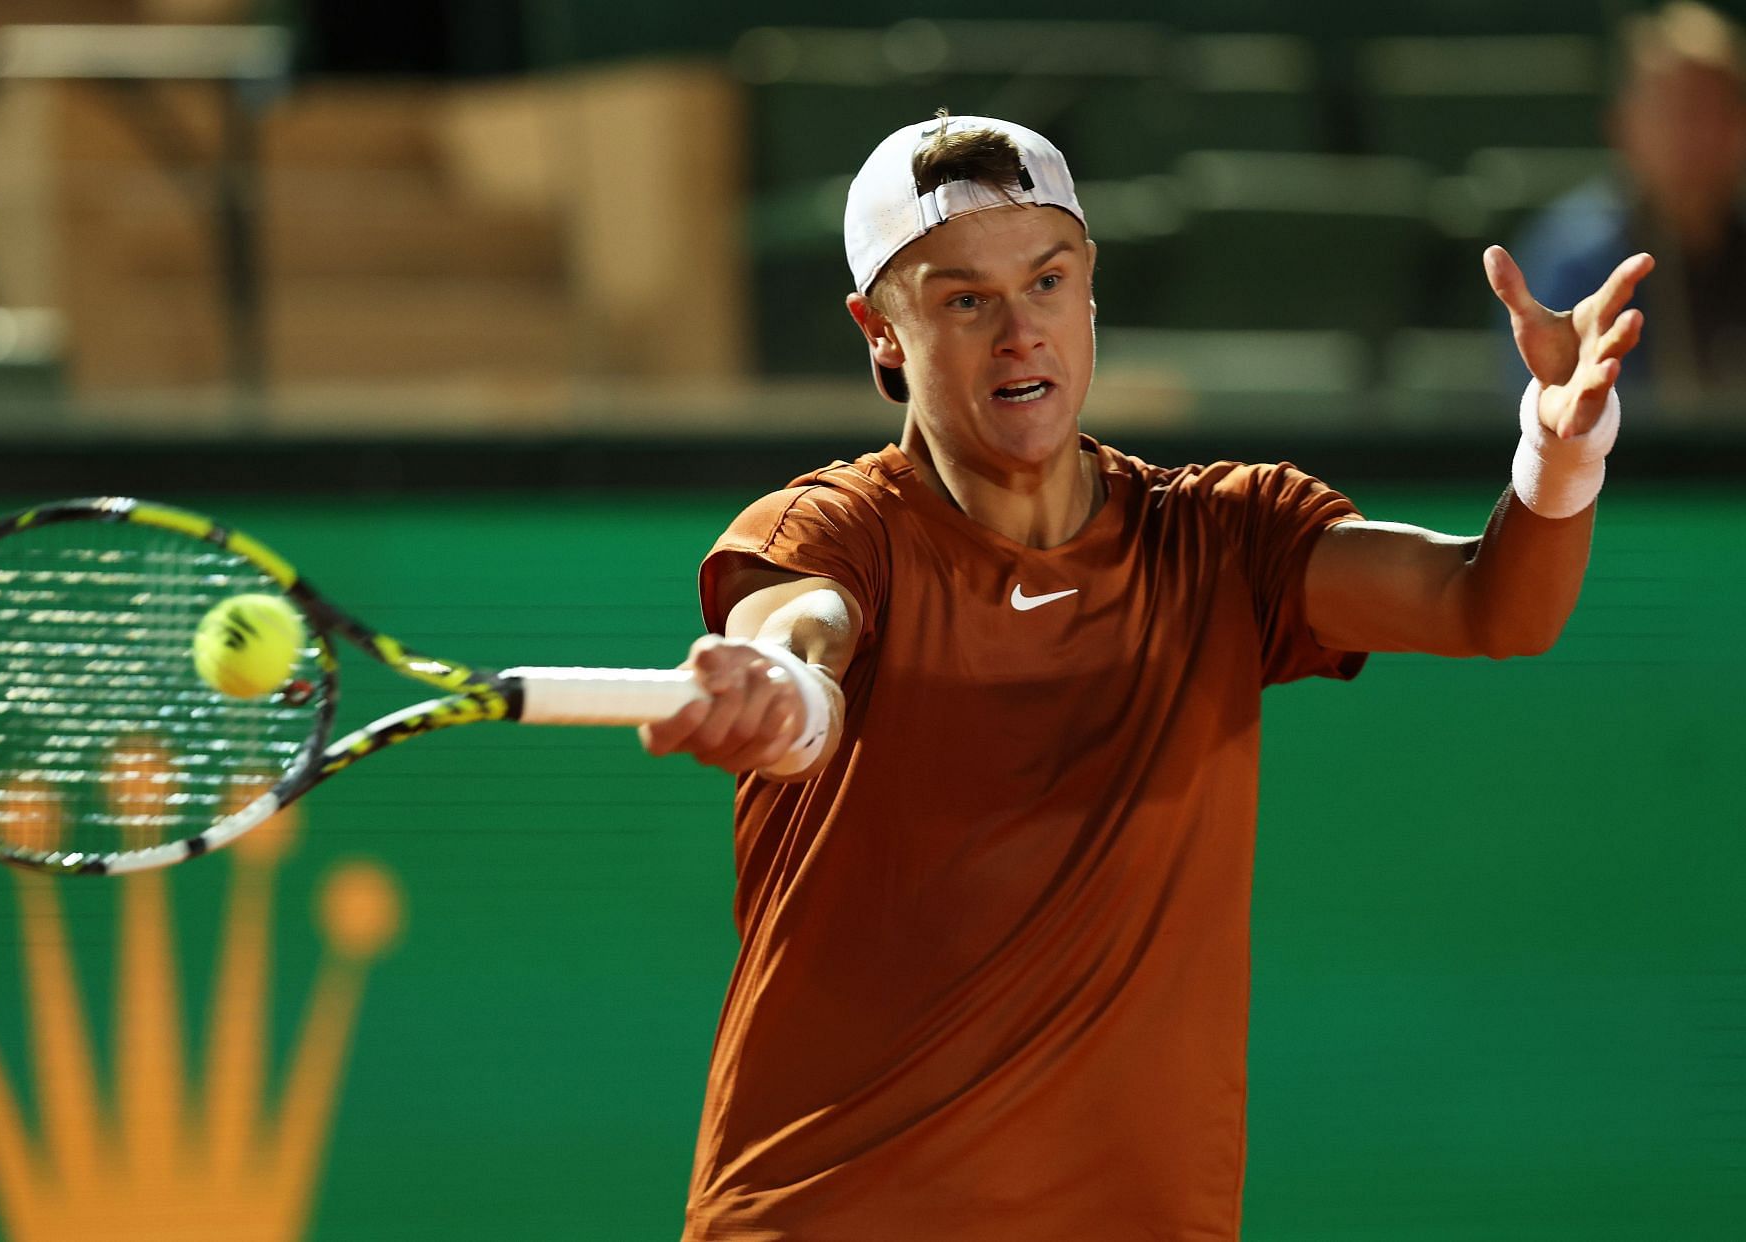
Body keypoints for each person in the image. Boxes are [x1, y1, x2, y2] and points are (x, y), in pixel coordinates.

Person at [641, 112, 1649, 1240]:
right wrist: (781, 686)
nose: (1020, 333)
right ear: (881, 333)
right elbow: (804, 626)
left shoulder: (1224, 537)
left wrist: (1562, 449)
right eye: (964, 299)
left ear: (1090, 293)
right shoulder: (837, 528)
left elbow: (1491, 603)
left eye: (1048, 282)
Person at [1512, 0, 1746, 401]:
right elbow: (1542, 417)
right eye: (1675, 112)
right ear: (1623, 124)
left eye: (1717, 111)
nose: (1695, 135)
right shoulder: (1572, 258)